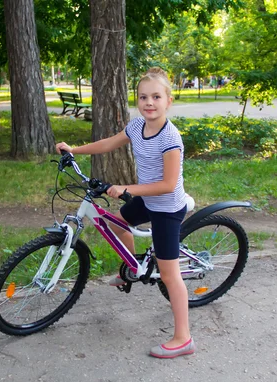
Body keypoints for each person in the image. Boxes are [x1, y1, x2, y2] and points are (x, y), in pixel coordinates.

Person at [55, 67, 194, 359]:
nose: (149, 102)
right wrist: (75, 150)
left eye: (156, 96)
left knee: (170, 275)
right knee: (115, 223)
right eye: (143, 97)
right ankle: (135, 267)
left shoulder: (170, 138)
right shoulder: (136, 127)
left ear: (168, 101)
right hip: (147, 199)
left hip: (167, 206)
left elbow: (168, 184)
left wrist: (126, 187)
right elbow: (109, 144)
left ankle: (183, 338)